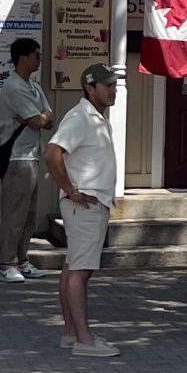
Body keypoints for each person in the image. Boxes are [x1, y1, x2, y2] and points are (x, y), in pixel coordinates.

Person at [44, 63, 122, 356]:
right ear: (90, 88)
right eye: (107, 86)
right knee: (80, 272)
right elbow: (52, 154)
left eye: (114, 85)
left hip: (89, 204)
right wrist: (71, 190)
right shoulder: (80, 117)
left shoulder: (96, 117)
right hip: (85, 205)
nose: (113, 90)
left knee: (72, 267)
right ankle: (84, 341)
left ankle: (71, 333)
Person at [0, 38, 56, 281]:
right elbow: (37, 120)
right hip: (17, 158)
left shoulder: (34, 87)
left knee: (28, 214)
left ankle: (23, 261)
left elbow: (48, 120)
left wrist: (40, 117)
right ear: (23, 58)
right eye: (36, 55)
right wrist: (39, 118)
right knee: (15, 213)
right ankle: (6, 264)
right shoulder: (14, 87)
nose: (40, 59)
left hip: (32, 155)